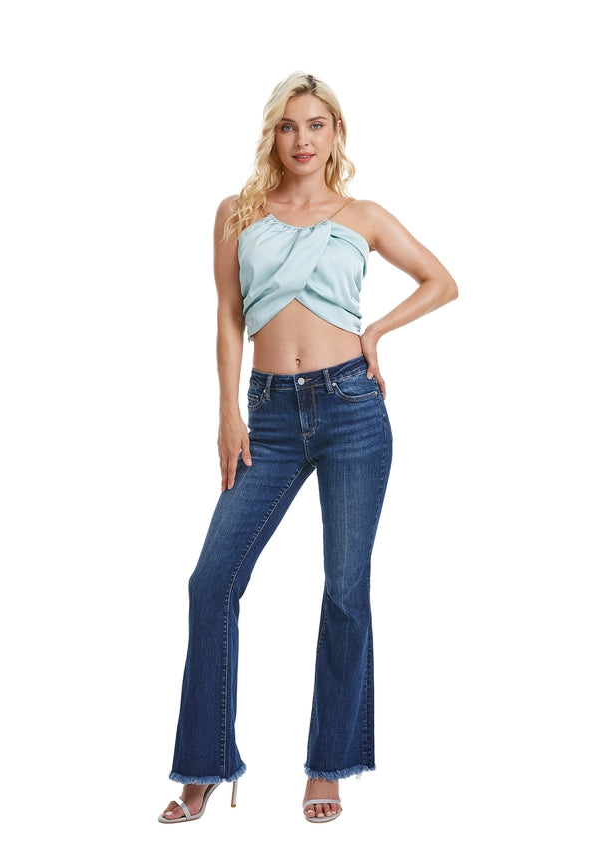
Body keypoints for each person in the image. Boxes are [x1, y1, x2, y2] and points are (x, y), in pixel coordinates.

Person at [158, 72, 457, 825]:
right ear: (273, 134)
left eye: (316, 125)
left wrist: (375, 331)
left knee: (345, 588)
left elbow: (441, 281)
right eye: (289, 126)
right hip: (268, 416)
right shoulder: (238, 212)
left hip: (352, 408)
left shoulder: (361, 216)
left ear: (335, 133)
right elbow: (228, 315)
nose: (302, 139)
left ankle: (329, 765)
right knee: (211, 583)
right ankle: (205, 765)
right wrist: (227, 412)